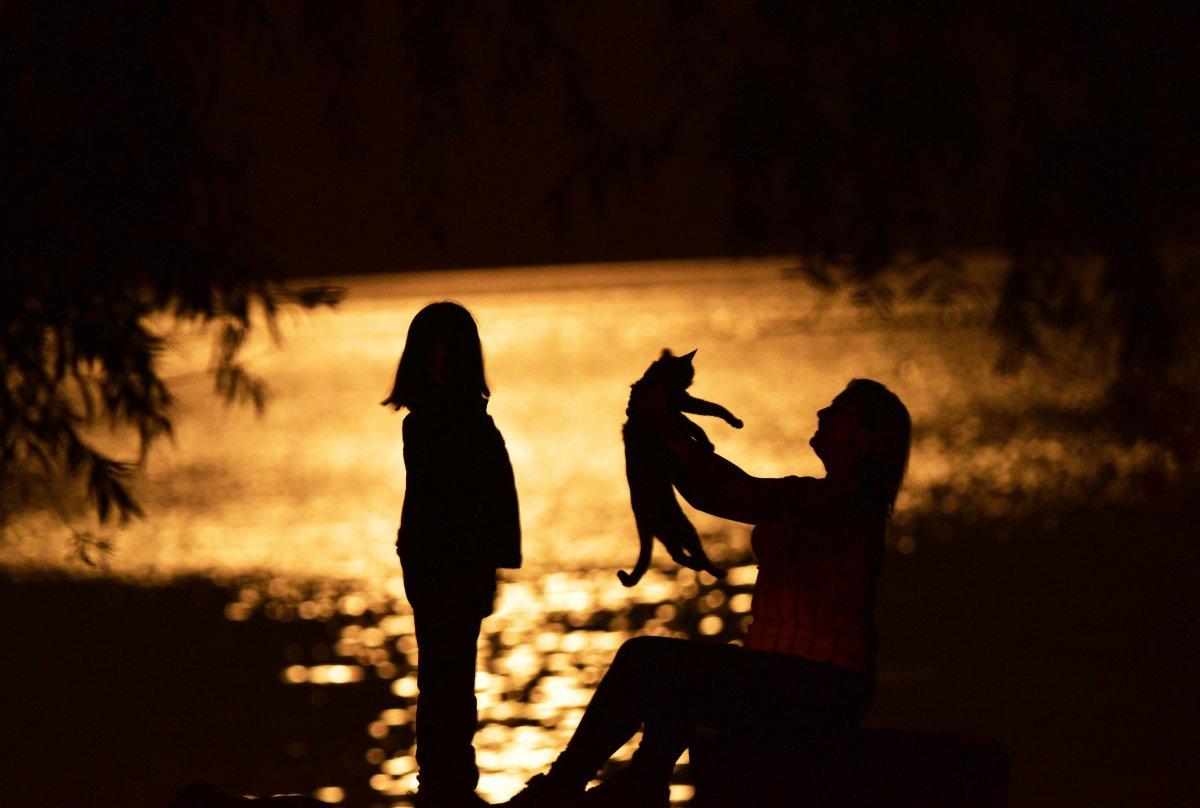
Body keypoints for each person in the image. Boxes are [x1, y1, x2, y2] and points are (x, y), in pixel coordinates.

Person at [504, 378, 911, 807]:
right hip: (788, 674)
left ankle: (568, 783)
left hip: (822, 686)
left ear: (866, 439)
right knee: (680, 672)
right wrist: (659, 436)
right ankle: (642, 778)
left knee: (646, 659)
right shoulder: (812, 492)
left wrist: (669, 431)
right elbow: (714, 495)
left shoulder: (848, 505)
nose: (822, 414)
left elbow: (739, 492)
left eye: (838, 410)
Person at [383, 302, 522, 808]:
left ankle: (449, 782)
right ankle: (442, 781)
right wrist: (410, 555)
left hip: (457, 568)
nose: (439, 362)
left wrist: (488, 563)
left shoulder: (466, 424)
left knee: (450, 680)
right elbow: (420, 500)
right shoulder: (426, 424)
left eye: (450, 353)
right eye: (431, 352)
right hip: (431, 566)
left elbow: (486, 499)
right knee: (440, 680)